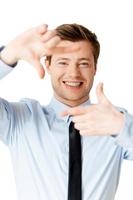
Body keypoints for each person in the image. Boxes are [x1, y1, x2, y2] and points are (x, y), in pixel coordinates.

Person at [0, 23, 133, 200]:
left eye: (84, 63)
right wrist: (6, 56)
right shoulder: (19, 120)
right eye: (63, 62)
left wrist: (124, 128)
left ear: (95, 68)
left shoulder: (114, 121)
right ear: (47, 65)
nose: (73, 73)